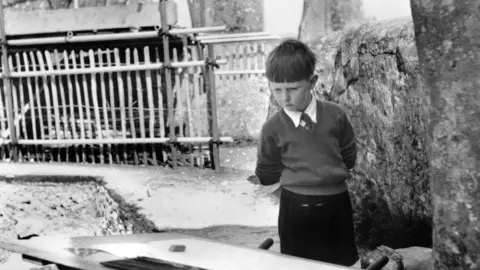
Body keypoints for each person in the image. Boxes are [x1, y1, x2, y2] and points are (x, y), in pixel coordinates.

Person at [254, 38, 359, 266]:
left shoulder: (336, 116)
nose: (284, 98)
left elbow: (349, 155)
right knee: (297, 263)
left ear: (312, 82)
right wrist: (289, 195)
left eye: (292, 89)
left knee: (340, 262)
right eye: (277, 90)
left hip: (337, 203)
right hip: (295, 207)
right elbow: (266, 171)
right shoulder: (272, 128)